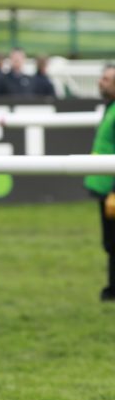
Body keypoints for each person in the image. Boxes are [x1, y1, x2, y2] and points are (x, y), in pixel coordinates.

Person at [83, 64, 115, 302]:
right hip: (106, 186)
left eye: (105, 79)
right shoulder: (109, 108)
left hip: (112, 188)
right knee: (110, 242)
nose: (100, 82)